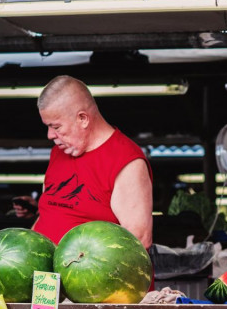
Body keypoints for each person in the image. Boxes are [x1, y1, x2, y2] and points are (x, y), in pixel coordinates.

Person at [29, 75, 153, 247]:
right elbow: (47, 214)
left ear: (83, 118)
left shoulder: (127, 161)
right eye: (48, 127)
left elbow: (138, 240)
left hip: (85, 272)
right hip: (46, 273)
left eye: (56, 127)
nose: (50, 135)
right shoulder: (58, 153)